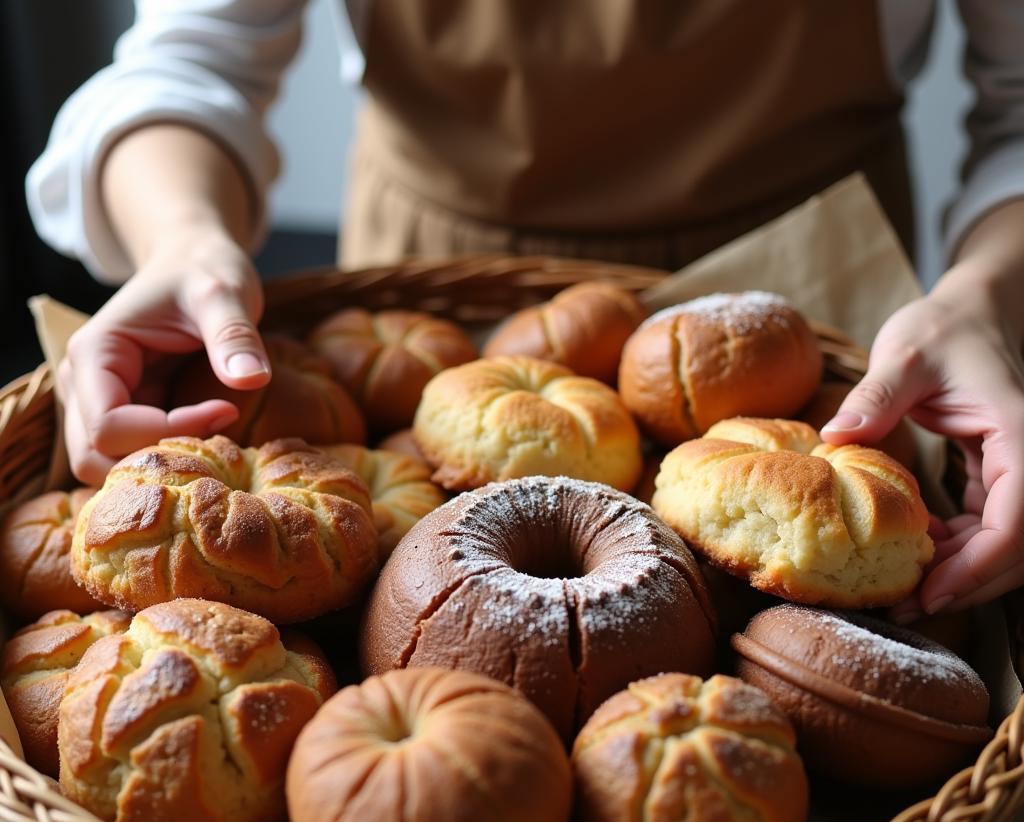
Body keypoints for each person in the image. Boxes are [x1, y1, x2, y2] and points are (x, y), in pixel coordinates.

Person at [25, 1, 1024, 619]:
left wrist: (983, 295)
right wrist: (184, 241)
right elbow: (188, 64)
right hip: (435, 312)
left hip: (810, 337)